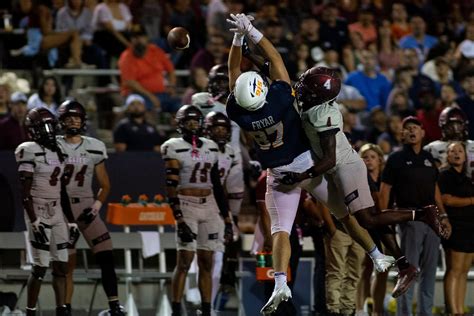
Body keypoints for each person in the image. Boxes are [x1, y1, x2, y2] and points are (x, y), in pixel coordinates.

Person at [225, 14, 392, 315]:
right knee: (344, 215)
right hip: (308, 164)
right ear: (261, 90)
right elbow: (274, 57)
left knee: (280, 231)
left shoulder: (237, 111)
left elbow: (232, 70)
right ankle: (376, 254)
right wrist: (249, 31)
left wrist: (237, 40)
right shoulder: (278, 98)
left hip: (279, 174)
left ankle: (279, 283)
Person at [280, 67, 450, 298]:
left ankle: (422, 215)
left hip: (345, 167)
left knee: (368, 219)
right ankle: (404, 265)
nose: (302, 90)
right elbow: (283, 76)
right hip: (336, 168)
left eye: (308, 88)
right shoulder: (314, 101)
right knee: (372, 218)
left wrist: (301, 176)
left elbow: (329, 160)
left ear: (319, 95)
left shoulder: (323, 114)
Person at [161, 105, 233, 316]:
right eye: (188, 121)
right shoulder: (172, 146)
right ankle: (176, 309)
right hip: (186, 203)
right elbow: (171, 185)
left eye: (195, 121)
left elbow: (217, 185)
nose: (192, 125)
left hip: (209, 204)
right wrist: (179, 219)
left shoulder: (210, 147)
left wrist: (227, 219)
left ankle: (207, 310)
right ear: (180, 124)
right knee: (184, 260)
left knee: (207, 261)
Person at [56, 100, 124, 315]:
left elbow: (105, 185)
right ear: (62, 121)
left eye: (77, 117)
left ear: (83, 120)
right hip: (61, 210)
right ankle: (65, 307)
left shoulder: (94, 146)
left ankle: (114, 306)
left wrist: (95, 207)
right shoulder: (53, 145)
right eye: (69, 117)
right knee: (67, 263)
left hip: (86, 207)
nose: (73, 121)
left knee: (106, 256)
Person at [379, 116, 452, 315]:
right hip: (409, 219)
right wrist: (381, 222)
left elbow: (434, 188)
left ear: (423, 133)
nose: (411, 130)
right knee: (408, 271)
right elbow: (385, 191)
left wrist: (443, 215)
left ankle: (425, 313)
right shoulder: (395, 159)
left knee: (429, 272)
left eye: (415, 127)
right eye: (407, 128)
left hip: (432, 220)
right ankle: (404, 313)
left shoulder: (429, 159)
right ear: (402, 134)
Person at [14, 108, 78, 316]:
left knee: (61, 266)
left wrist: (72, 221)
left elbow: (63, 189)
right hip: (38, 209)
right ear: (33, 131)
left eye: (51, 126)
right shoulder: (29, 150)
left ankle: (62, 311)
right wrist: (34, 221)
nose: (49, 131)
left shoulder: (60, 149)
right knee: (40, 268)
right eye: (43, 127)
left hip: (57, 208)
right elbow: (24, 194)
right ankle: (30, 311)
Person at [202, 111, 242, 310]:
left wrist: (229, 216)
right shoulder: (200, 148)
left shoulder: (230, 151)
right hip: (198, 203)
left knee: (217, 256)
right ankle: (198, 301)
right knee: (197, 257)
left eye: (223, 128)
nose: (220, 132)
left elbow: (225, 185)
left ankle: (209, 305)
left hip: (217, 206)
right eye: (215, 128)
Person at [438, 142, 474, 315]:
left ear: (466, 156)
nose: (457, 154)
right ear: (447, 155)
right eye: (452, 151)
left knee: (464, 272)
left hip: (470, 227)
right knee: (454, 270)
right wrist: (471, 200)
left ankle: (460, 309)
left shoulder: (468, 178)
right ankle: (453, 311)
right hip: (455, 226)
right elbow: (446, 200)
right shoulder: (444, 175)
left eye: (460, 151)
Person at [118, 24, 180, 112]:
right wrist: (151, 96)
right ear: (131, 40)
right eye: (134, 38)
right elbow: (130, 82)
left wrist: (172, 86)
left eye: (140, 37)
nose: (138, 40)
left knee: (179, 108)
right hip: (136, 95)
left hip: (161, 94)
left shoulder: (156, 51)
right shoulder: (126, 56)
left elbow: (170, 69)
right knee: (141, 108)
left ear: (146, 38)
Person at [424, 106, 474, 174]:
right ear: (444, 126)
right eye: (451, 125)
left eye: (458, 124)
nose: (455, 128)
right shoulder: (432, 148)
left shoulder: (472, 145)